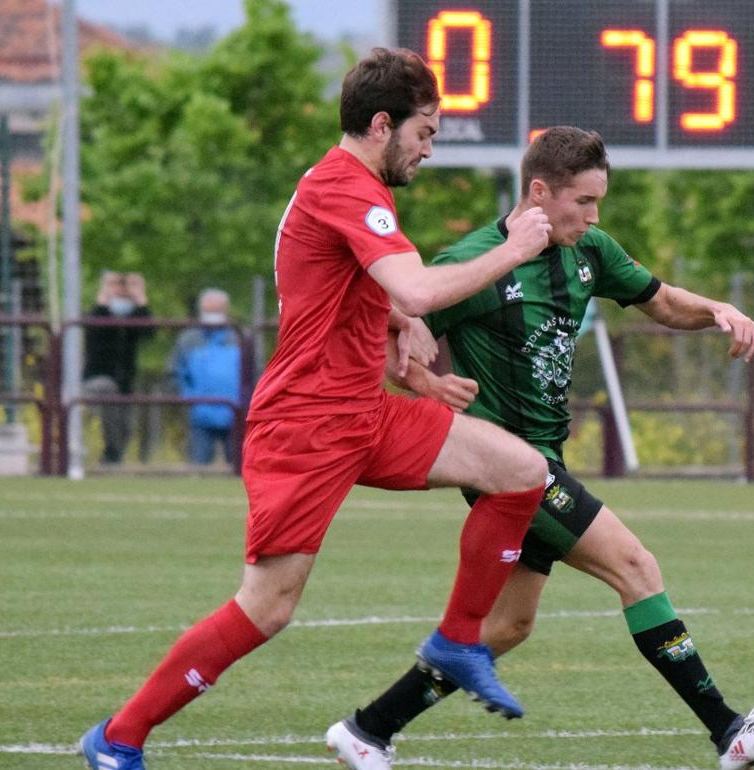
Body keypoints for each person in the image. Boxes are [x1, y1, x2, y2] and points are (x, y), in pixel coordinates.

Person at [78, 48, 556, 770]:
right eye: (425, 132)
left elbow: (365, 293)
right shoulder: (345, 186)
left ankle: (458, 642)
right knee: (266, 607)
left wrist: (400, 336)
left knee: (520, 471)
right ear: (380, 124)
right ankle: (119, 737)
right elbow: (420, 288)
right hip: (306, 425)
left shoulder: (355, 190)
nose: (430, 148)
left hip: (362, 413)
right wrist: (513, 248)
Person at [325, 126, 754, 770]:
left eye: (598, 202)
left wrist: (719, 309)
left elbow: (660, 301)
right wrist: (426, 382)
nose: (594, 216)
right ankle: (730, 732)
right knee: (636, 568)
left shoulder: (590, 252)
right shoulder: (475, 261)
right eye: (583, 202)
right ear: (539, 192)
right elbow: (388, 327)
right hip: (507, 470)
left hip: (546, 462)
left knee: (506, 628)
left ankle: (367, 730)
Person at [82, 271, 153, 464]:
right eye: (115, 285)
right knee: (108, 389)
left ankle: (113, 459)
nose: (121, 290)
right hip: (96, 380)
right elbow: (94, 328)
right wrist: (104, 299)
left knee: (125, 426)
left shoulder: (131, 318)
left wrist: (140, 298)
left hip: (125, 383)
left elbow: (148, 332)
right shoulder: (98, 313)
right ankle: (111, 453)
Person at [167, 288, 241, 466]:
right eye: (209, 311)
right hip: (199, 415)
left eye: (217, 311)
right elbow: (174, 373)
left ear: (226, 310)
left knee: (240, 468)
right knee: (198, 468)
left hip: (236, 413)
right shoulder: (188, 340)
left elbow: (253, 373)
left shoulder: (239, 337)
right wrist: (188, 399)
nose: (212, 315)